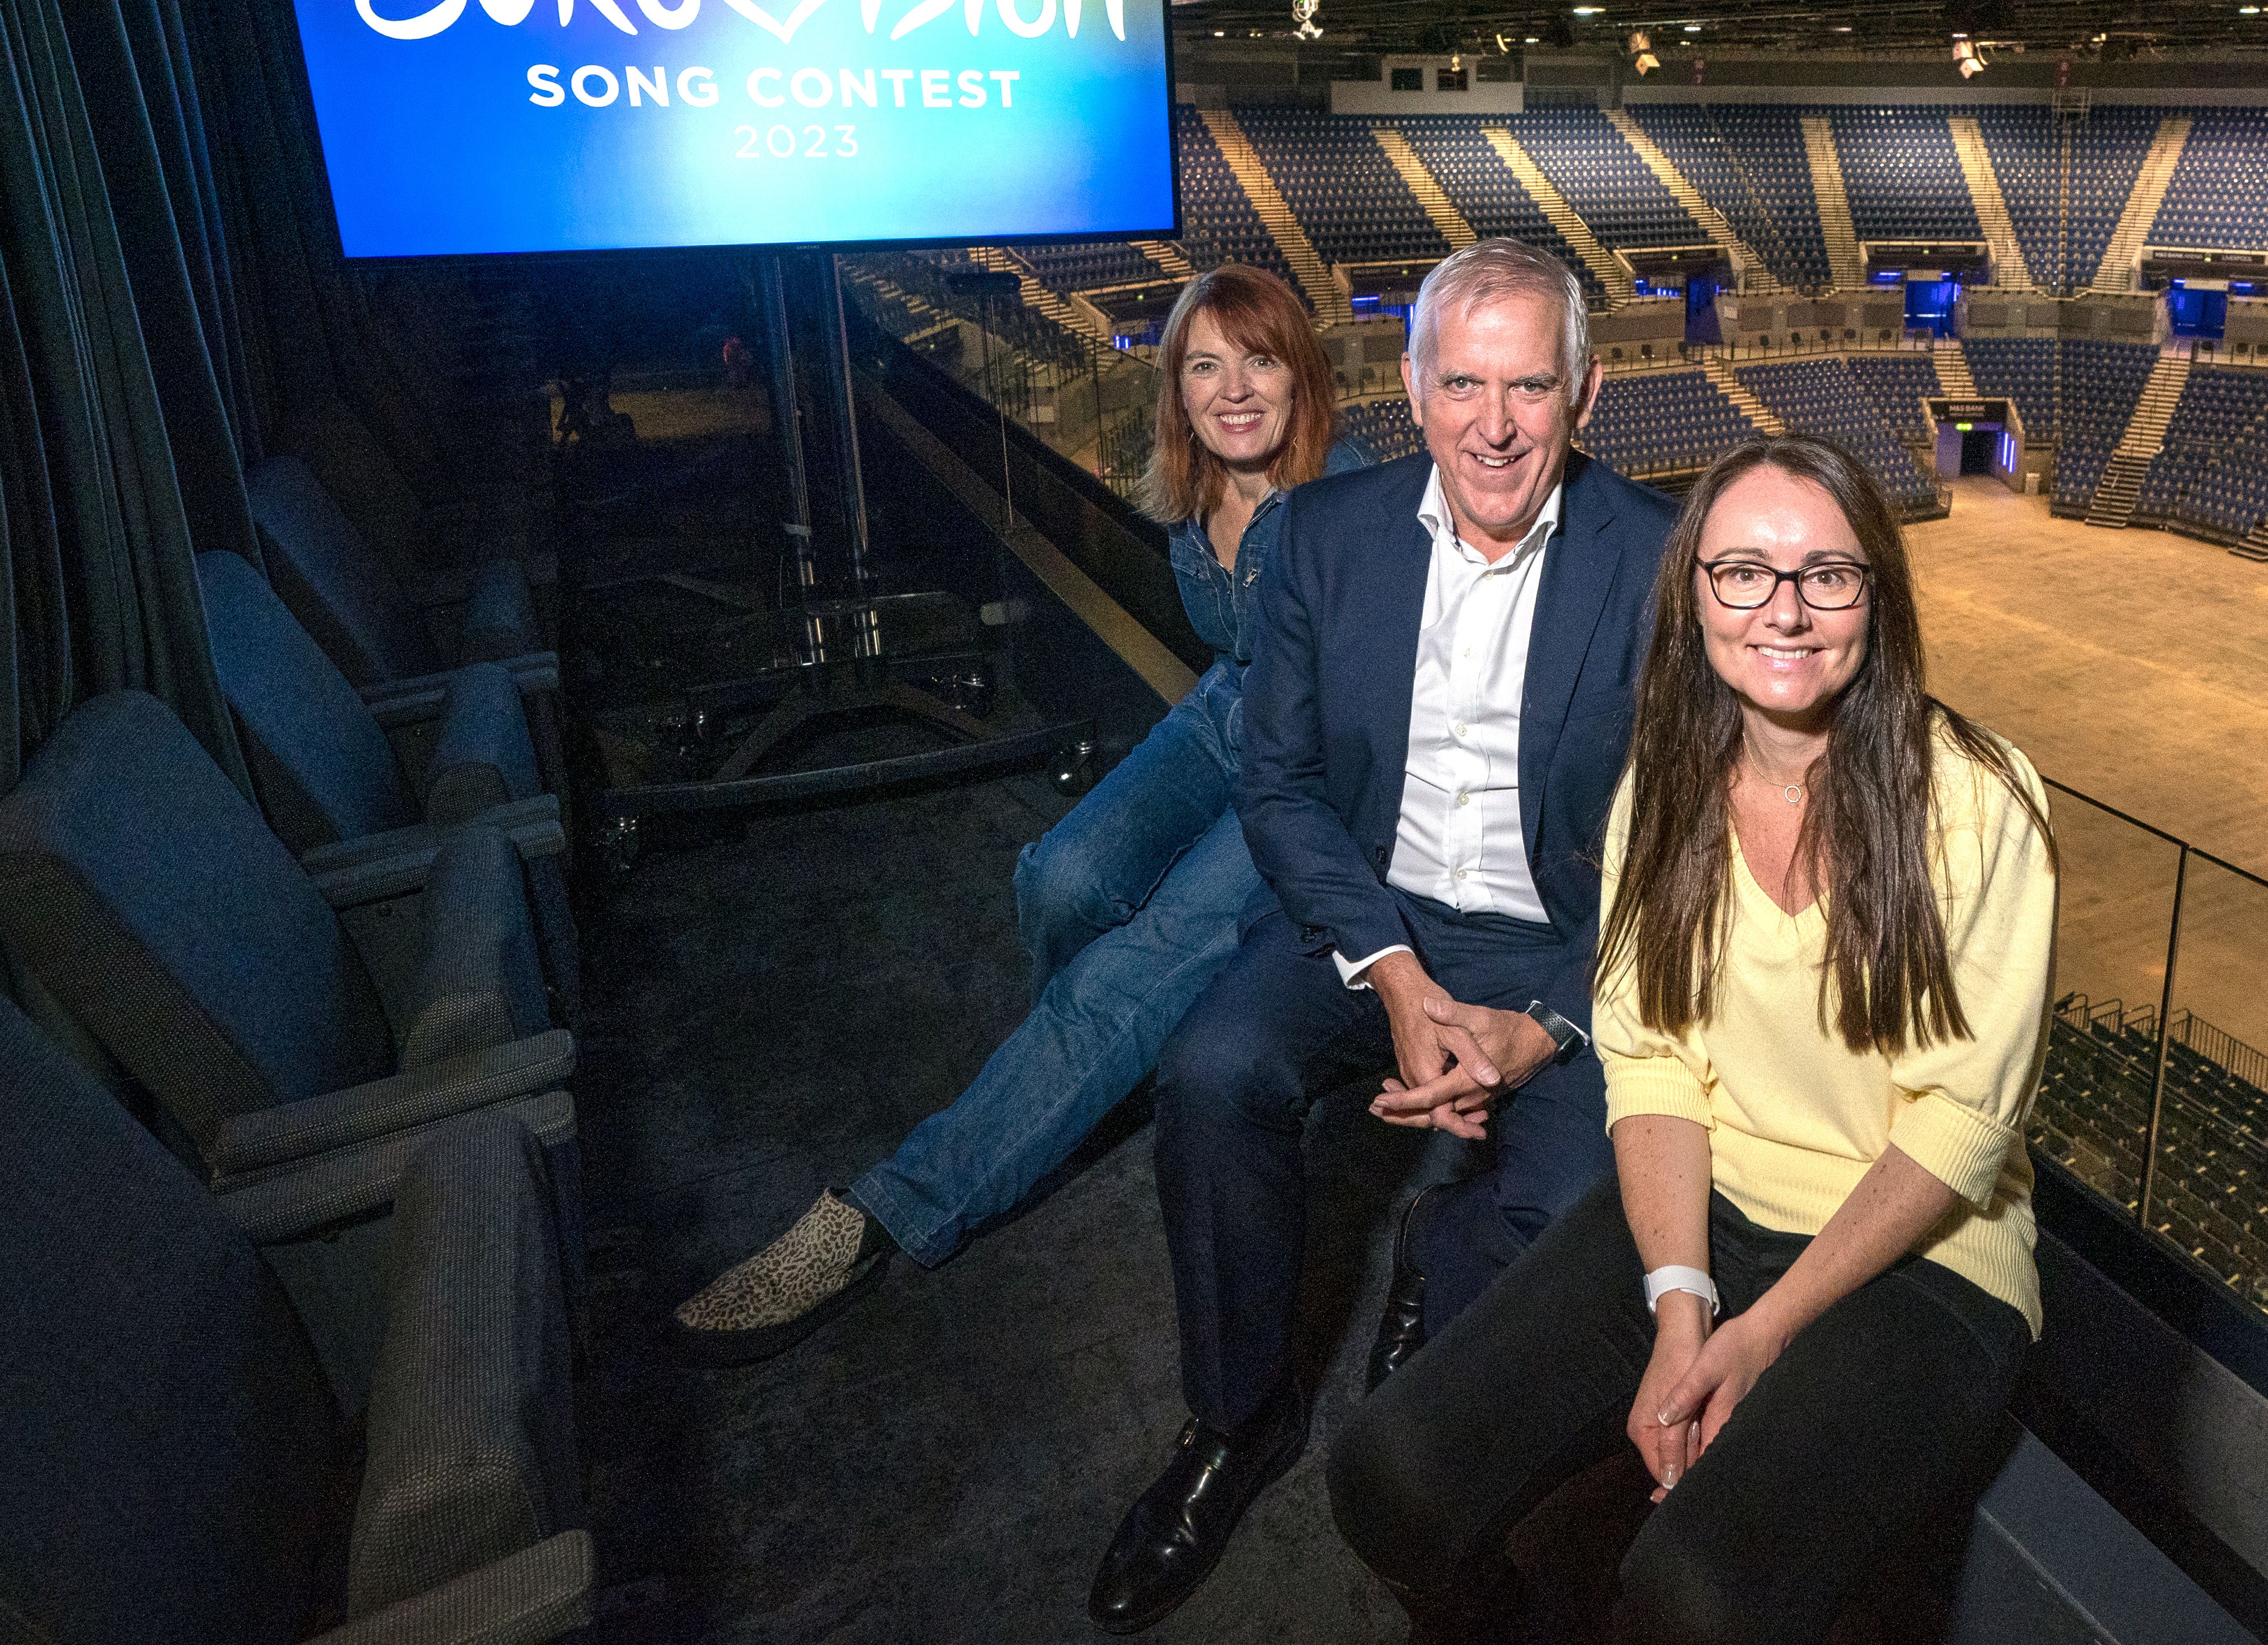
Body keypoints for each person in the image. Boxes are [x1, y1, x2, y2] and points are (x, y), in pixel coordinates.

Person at [1327, 435, 2060, 1645]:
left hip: (1923, 1252)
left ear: (1876, 596)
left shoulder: (1981, 801)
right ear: (1693, 599)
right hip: (1702, 1201)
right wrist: (1681, 1304)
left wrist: (1759, 1331)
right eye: (1742, 573)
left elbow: (1960, 1131)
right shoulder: (1662, 793)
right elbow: (1653, 1060)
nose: (1783, 609)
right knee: (1385, 1476)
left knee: (1696, 1597)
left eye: (1826, 574)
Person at [1085, 239, 1679, 1633]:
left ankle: (1437, 1275)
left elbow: (1679, 843)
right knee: (1210, 1071)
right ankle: (1233, 1420)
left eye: (1527, 385)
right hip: (1370, 925)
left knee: (1575, 1194)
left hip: (1554, 950)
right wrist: (1395, 975)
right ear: (1411, 389)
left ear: (1581, 393)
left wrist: (1545, 1024)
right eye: (1461, 383)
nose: (1493, 424)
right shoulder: (1319, 538)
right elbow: (1278, 787)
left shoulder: (1658, 561)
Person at [668, 264, 1369, 1366]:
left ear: (1302, 374)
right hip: (1232, 709)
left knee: (1138, 964)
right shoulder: (1193, 494)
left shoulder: (1348, 506)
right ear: (1177, 391)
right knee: (1059, 877)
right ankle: (1082, 1078)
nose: (1234, 389)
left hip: (1314, 766)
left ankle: (893, 1205)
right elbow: (1236, 657)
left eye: (1261, 359)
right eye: (1205, 365)